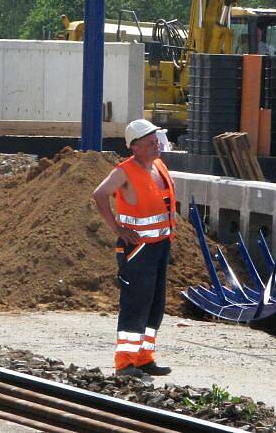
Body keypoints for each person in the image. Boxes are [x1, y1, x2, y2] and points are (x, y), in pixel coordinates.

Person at [92, 119, 176, 378]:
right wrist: (117, 229)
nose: (156, 145)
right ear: (135, 147)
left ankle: (143, 358)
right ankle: (125, 363)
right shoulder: (124, 172)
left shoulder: (158, 167)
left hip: (159, 247)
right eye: (150, 143)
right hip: (137, 249)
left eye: (156, 141)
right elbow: (99, 194)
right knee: (135, 305)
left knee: (154, 305)